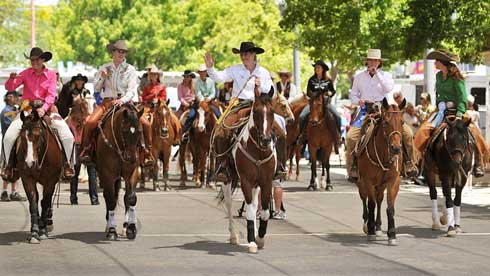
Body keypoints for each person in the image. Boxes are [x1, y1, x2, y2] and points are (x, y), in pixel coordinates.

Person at [205, 41, 286, 180]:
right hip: (240, 106)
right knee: (221, 131)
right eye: (242, 55)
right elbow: (219, 77)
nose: (244, 57)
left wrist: (261, 88)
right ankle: (222, 166)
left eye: (247, 54)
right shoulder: (235, 69)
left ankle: (279, 165)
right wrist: (210, 68)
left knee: (281, 133)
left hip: (259, 106)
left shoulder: (263, 72)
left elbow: (271, 93)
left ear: (253, 54)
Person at [2, 47, 75, 181]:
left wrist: (44, 108)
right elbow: (10, 88)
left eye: (37, 59)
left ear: (43, 60)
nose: (34, 62)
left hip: (47, 109)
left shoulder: (51, 74)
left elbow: (52, 94)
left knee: (68, 136)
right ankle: (8, 166)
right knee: (8, 136)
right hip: (27, 110)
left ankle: (67, 165)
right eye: (32, 60)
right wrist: (11, 79)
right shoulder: (25, 73)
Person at [346, 49, 418, 182]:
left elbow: (388, 88)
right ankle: (353, 167)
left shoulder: (386, 75)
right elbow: (353, 94)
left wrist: (377, 74)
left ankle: (409, 163)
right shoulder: (359, 77)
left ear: (379, 62)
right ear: (366, 61)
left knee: (407, 133)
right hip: (366, 111)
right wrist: (358, 101)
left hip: (385, 109)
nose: (372, 63)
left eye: (375, 60)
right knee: (351, 137)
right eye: (370, 60)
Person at [413, 49, 485, 177]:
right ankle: (416, 161)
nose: (434, 63)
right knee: (423, 129)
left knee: (474, 131)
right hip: (442, 110)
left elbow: (462, 98)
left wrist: (459, 114)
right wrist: (440, 103)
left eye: (437, 61)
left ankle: (480, 162)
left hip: (458, 110)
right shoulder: (438, 76)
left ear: (443, 63)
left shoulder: (457, 78)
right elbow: (439, 94)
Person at [79, 40, 152, 165]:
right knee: (90, 123)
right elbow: (96, 88)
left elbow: (131, 90)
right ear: (113, 52)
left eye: (123, 52)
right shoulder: (104, 67)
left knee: (146, 124)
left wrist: (122, 100)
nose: (121, 54)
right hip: (107, 103)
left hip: (125, 103)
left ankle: (147, 152)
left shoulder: (130, 70)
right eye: (118, 51)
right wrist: (102, 77)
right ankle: (86, 151)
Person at [298, 60, 342, 148]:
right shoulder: (311, 80)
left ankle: (338, 137)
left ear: (323, 69)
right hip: (313, 104)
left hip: (325, 104)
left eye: (318, 68)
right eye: (315, 68)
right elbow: (308, 92)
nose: (316, 69)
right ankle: (302, 136)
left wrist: (329, 94)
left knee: (337, 116)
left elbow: (333, 91)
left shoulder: (328, 80)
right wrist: (313, 95)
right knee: (302, 116)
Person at [66, 98, 99, 205]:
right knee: (92, 174)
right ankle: (94, 199)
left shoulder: (70, 119)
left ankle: (73, 198)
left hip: (75, 147)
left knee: (74, 175)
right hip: (88, 147)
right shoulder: (89, 119)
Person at [140, 65, 181, 145]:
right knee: (141, 118)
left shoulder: (162, 86)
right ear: (150, 76)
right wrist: (152, 97)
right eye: (151, 74)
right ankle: (142, 139)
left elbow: (164, 97)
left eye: (155, 74)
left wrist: (158, 100)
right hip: (149, 106)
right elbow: (144, 98)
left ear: (157, 75)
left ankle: (177, 137)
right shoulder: (146, 87)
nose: (153, 76)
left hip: (160, 106)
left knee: (173, 117)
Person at [0, 91, 25, 201]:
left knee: (14, 166)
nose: (16, 98)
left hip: (15, 142)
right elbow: (11, 125)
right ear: (9, 98)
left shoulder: (15, 109)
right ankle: (5, 191)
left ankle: (13, 192)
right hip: (9, 142)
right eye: (15, 97)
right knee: (7, 165)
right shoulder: (6, 111)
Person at [178, 70, 197, 143]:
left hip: (193, 104)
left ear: (190, 78)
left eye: (188, 77)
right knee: (178, 118)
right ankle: (181, 133)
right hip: (184, 105)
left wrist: (193, 100)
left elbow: (195, 95)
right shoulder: (180, 86)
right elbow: (180, 97)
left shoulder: (193, 86)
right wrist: (186, 103)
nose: (186, 78)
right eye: (185, 76)